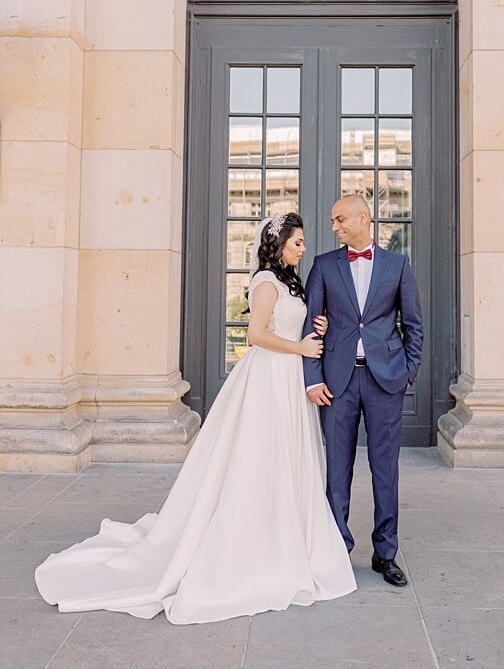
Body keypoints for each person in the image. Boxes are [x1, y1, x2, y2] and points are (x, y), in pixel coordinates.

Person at [35, 213, 357, 624]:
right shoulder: (265, 282)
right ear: (279, 246)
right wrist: (300, 350)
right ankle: (252, 545)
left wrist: (319, 327)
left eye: (303, 242)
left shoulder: (291, 282)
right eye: (297, 243)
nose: (304, 248)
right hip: (268, 378)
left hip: (288, 381)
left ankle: (287, 536)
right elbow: (255, 335)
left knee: (288, 460)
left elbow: (292, 325)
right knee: (259, 458)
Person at [303, 195, 424, 587]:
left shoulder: (397, 265)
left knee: (384, 469)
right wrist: (313, 377)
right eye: (333, 221)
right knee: (337, 469)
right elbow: (310, 326)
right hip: (337, 383)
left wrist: (408, 372)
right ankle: (337, 548)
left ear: (362, 218)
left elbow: (414, 325)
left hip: (385, 379)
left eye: (340, 219)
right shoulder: (323, 265)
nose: (335, 227)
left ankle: (385, 553)